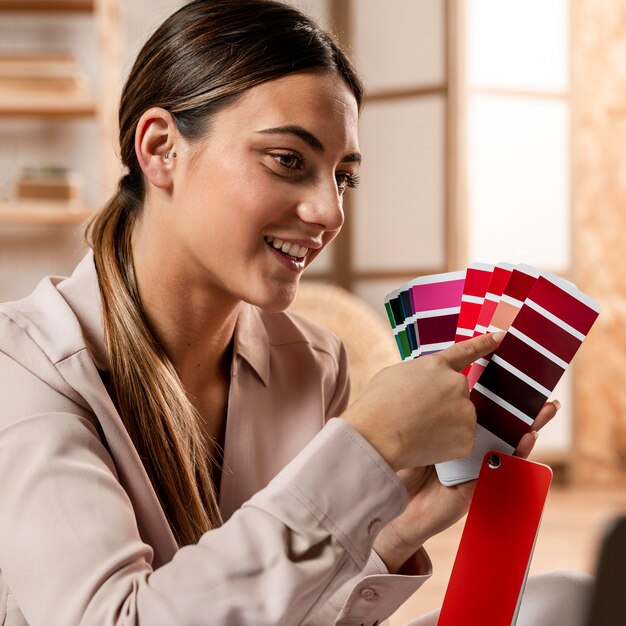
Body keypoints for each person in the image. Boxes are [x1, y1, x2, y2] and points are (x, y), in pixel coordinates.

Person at [0, 1, 580, 624]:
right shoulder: (25, 365)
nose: (329, 213)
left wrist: (394, 535)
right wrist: (365, 447)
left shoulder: (315, 361)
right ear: (161, 148)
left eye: (343, 177)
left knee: (565, 600)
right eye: (288, 160)